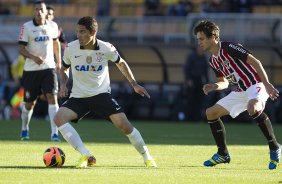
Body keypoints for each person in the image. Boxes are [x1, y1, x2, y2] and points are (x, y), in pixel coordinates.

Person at [54, 16, 157, 168]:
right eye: (77, 32)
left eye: (82, 32)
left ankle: (147, 157)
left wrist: (134, 84)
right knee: (58, 118)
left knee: (124, 125)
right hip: (79, 97)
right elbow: (64, 68)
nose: (78, 35)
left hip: (101, 95)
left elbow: (121, 64)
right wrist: (63, 84)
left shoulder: (106, 48)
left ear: (93, 32)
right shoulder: (71, 48)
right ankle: (86, 155)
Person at [193, 20, 281, 170]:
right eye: (198, 39)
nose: (199, 42)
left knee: (252, 107)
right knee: (211, 113)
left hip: (256, 85)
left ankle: (274, 146)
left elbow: (256, 62)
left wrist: (266, 84)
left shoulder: (228, 47)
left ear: (213, 37)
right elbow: (224, 82)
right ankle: (223, 154)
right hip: (241, 91)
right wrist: (214, 86)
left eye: (201, 39)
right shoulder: (213, 60)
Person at [18, 0, 61, 142]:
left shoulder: (53, 26)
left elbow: (56, 43)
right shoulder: (27, 27)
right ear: (33, 11)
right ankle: (25, 128)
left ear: (45, 11)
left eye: (41, 9)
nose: (39, 12)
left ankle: (54, 133)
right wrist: (33, 57)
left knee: (52, 97)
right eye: (36, 9)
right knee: (30, 103)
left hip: (48, 68)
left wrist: (58, 61)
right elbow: (21, 48)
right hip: (31, 70)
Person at [184, 47, 209, 121]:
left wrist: (207, 82)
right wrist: (188, 79)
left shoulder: (203, 58)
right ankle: (188, 118)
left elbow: (205, 71)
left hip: (199, 80)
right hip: (192, 80)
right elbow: (186, 69)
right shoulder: (192, 57)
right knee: (191, 100)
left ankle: (197, 118)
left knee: (200, 100)